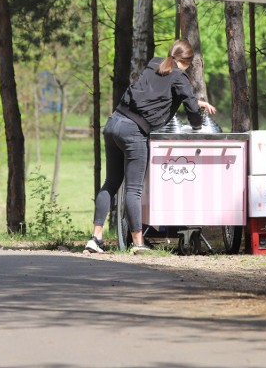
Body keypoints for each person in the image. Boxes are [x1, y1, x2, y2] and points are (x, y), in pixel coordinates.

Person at [85, 39, 217, 254]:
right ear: (188, 62)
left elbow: (158, 93)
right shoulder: (179, 76)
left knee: (110, 183)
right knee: (134, 189)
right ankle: (138, 243)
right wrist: (196, 124)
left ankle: (95, 238)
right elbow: (191, 110)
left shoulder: (155, 63)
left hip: (114, 123)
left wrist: (193, 101)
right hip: (133, 131)